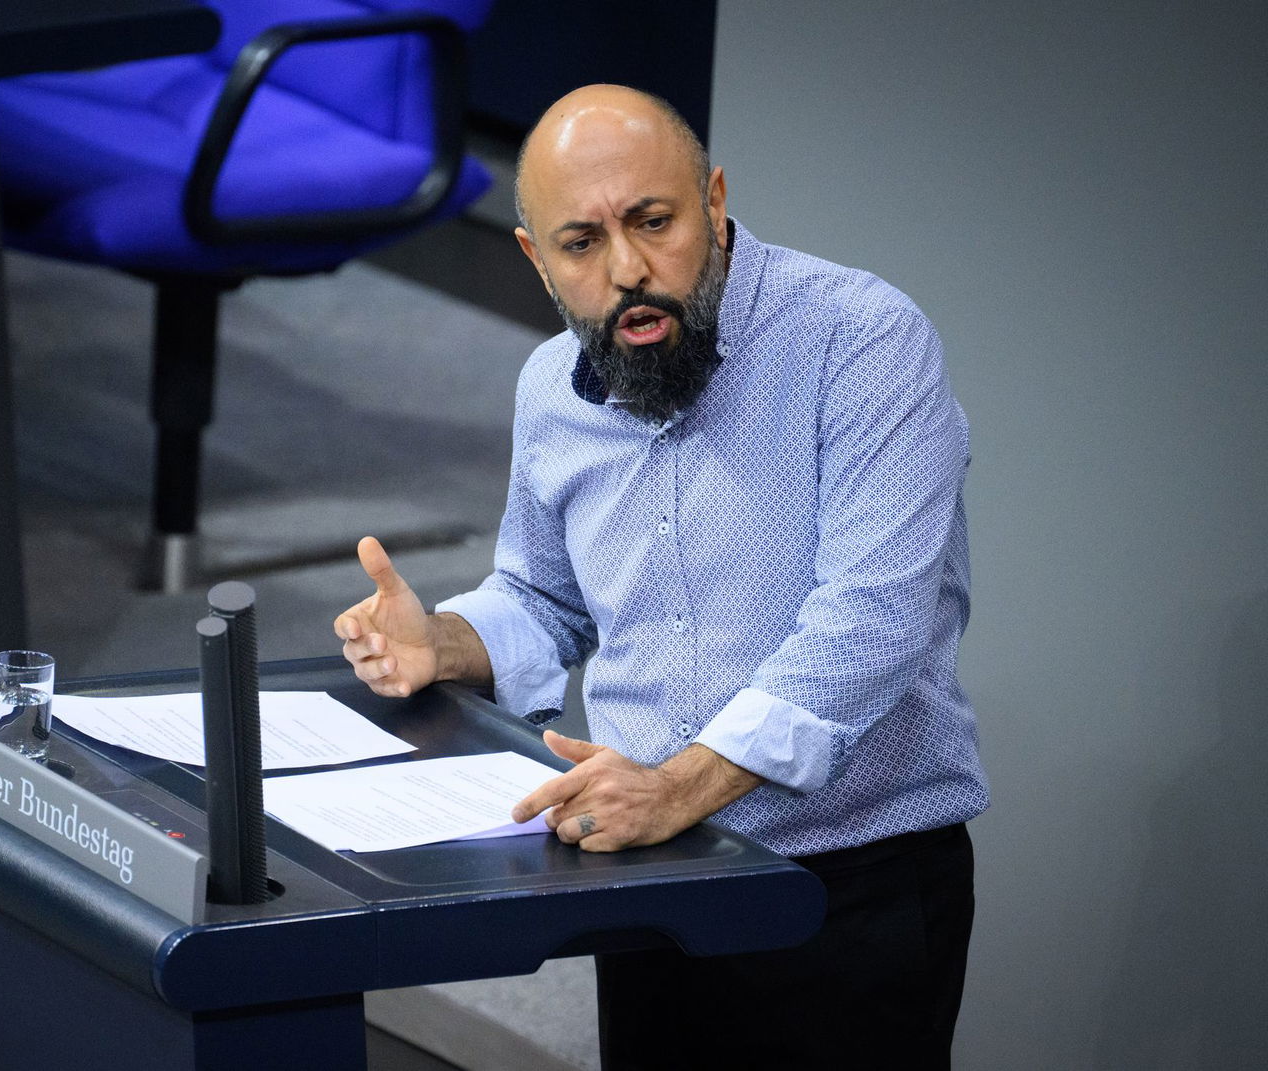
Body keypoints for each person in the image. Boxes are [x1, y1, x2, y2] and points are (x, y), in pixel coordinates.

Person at [333, 84, 988, 1069]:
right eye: (582, 243)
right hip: (652, 873)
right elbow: (541, 596)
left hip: (847, 883)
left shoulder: (861, 340)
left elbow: (869, 625)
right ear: (536, 259)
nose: (630, 270)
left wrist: (682, 787)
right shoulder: (553, 386)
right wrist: (448, 643)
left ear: (714, 202)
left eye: (654, 221)